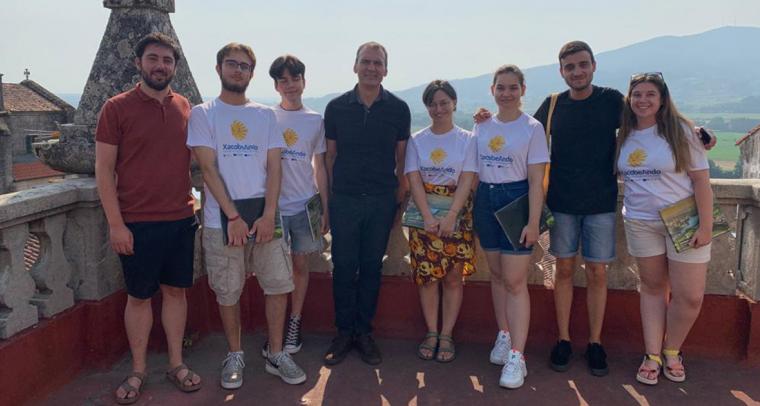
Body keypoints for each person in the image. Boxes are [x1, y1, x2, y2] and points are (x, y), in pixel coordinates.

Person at [187, 43, 306, 388]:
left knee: (278, 284)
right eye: (232, 64)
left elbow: (275, 167)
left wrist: (269, 215)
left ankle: (277, 352)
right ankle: (235, 353)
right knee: (227, 290)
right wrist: (233, 217)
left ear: (252, 73)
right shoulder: (203, 113)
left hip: (265, 215)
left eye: (245, 66)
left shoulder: (265, 115)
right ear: (219, 68)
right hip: (221, 220)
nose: (238, 70)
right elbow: (207, 169)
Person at [95, 32, 201, 404]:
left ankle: (176, 363)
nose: (160, 66)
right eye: (153, 58)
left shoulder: (185, 106)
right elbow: (103, 170)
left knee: (176, 292)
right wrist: (116, 224)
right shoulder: (116, 108)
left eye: (167, 60)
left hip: (181, 218)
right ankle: (138, 370)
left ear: (175, 67)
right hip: (137, 222)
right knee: (139, 297)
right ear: (139, 63)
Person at [616, 72, 712, 385]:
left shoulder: (681, 131)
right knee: (652, 287)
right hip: (640, 220)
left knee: (690, 296)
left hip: (684, 219)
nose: (642, 100)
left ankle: (673, 349)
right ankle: (653, 354)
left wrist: (706, 226)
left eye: (650, 94)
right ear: (629, 99)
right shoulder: (623, 133)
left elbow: (701, 181)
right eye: (637, 94)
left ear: (662, 99)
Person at [323, 41, 411, 366]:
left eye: (378, 63)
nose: (372, 68)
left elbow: (402, 160)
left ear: (386, 70)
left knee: (372, 267)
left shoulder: (398, 109)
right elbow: (330, 157)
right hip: (344, 199)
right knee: (344, 267)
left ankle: (364, 333)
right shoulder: (336, 108)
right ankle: (343, 333)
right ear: (355, 66)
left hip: (380, 200)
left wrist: (398, 201)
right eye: (366, 61)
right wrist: (329, 201)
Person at [473, 65, 549, 389]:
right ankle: (504, 334)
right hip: (485, 199)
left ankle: (518, 355)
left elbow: (536, 181)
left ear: (522, 90)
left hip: (516, 199)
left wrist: (533, 222)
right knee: (497, 274)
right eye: (501, 87)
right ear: (492, 90)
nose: (506, 93)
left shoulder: (532, 128)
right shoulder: (481, 125)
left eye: (512, 87)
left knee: (516, 282)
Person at [404, 80, 477, 363]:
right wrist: (427, 217)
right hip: (424, 216)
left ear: (454, 103)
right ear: (427, 107)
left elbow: (467, 178)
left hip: (457, 215)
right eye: (433, 104)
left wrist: (451, 215)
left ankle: (447, 334)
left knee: (454, 277)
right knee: (427, 277)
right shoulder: (417, 140)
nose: (439, 109)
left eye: (444, 102)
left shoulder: (468, 139)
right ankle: (431, 332)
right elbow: (413, 178)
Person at [268, 54, 330, 354]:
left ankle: (294, 321)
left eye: (295, 79)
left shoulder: (315, 120)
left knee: (301, 266)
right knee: (275, 270)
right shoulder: (266, 117)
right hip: (274, 208)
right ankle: (276, 328)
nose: (290, 85)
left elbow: (320, 167)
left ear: (304, 81)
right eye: (283, 80)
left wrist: (325, 208)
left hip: (305, 205)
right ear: (276, 86)